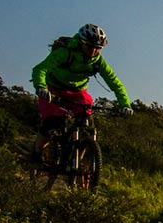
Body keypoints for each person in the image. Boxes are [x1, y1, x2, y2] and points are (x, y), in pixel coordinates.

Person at [31, 24, 131, 162]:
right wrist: (41, 87)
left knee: (87, 128)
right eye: (90, 46)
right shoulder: (65, 53)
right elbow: (40, 69)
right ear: (81, 42)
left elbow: (115, 83)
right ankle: (37, 153)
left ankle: (76, 159)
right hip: (53, 87)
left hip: (77, 92)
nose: (93, 51)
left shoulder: (98, 62)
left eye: (98, 48)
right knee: (52, 122)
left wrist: (125, 104)